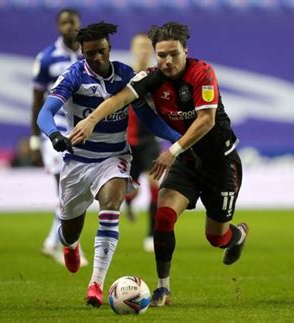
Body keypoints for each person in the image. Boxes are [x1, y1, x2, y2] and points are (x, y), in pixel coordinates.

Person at [70, 22, 249, 307]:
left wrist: (173, 150)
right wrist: (91, 120)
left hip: (220, 163)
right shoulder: (152, 78)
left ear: (185, 51)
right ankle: (162, 289)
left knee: (216, 237)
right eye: (161, 55)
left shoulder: (202, 73)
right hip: (188, 160)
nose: (167, 61)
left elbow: (206, 120)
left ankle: (236, 235)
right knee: (163, 216)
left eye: (173, 55)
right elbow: (120, 99)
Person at [37, 22, 181, 307]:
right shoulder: (73, 77)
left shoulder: (125, 75)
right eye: (91, 54)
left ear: (110, 48)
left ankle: (96, 284)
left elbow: (148, 118)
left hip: (114, 158)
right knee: (69, 229)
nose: (98, 58)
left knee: (111, 204)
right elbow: (45, 112)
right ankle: (70, 245)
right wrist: (54, 135)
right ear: (83, 52)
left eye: (102, 51)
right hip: (77, 162)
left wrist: (180, 138)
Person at [29, 8, 87, 266]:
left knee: (73, 191)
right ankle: (69, 245)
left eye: (72, 22)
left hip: (81, 131)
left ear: (79, 24)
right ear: (58, 27)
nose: (68, 27)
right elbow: (36, 101)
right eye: (64, 23)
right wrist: (34, 137)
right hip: (54, 132)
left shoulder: (90, 55)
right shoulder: (46, 58)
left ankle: (53, 241)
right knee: (67, 190)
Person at [124, 33, 160, 252]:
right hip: (127, 143)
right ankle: (128, 202)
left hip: (149, 141)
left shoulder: (157, 77)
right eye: (140, 46)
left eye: (148, 46)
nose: (144, 50)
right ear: (132, 49)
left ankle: (151, 234)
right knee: (130, 190)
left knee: (156, 186)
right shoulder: (124, 75)